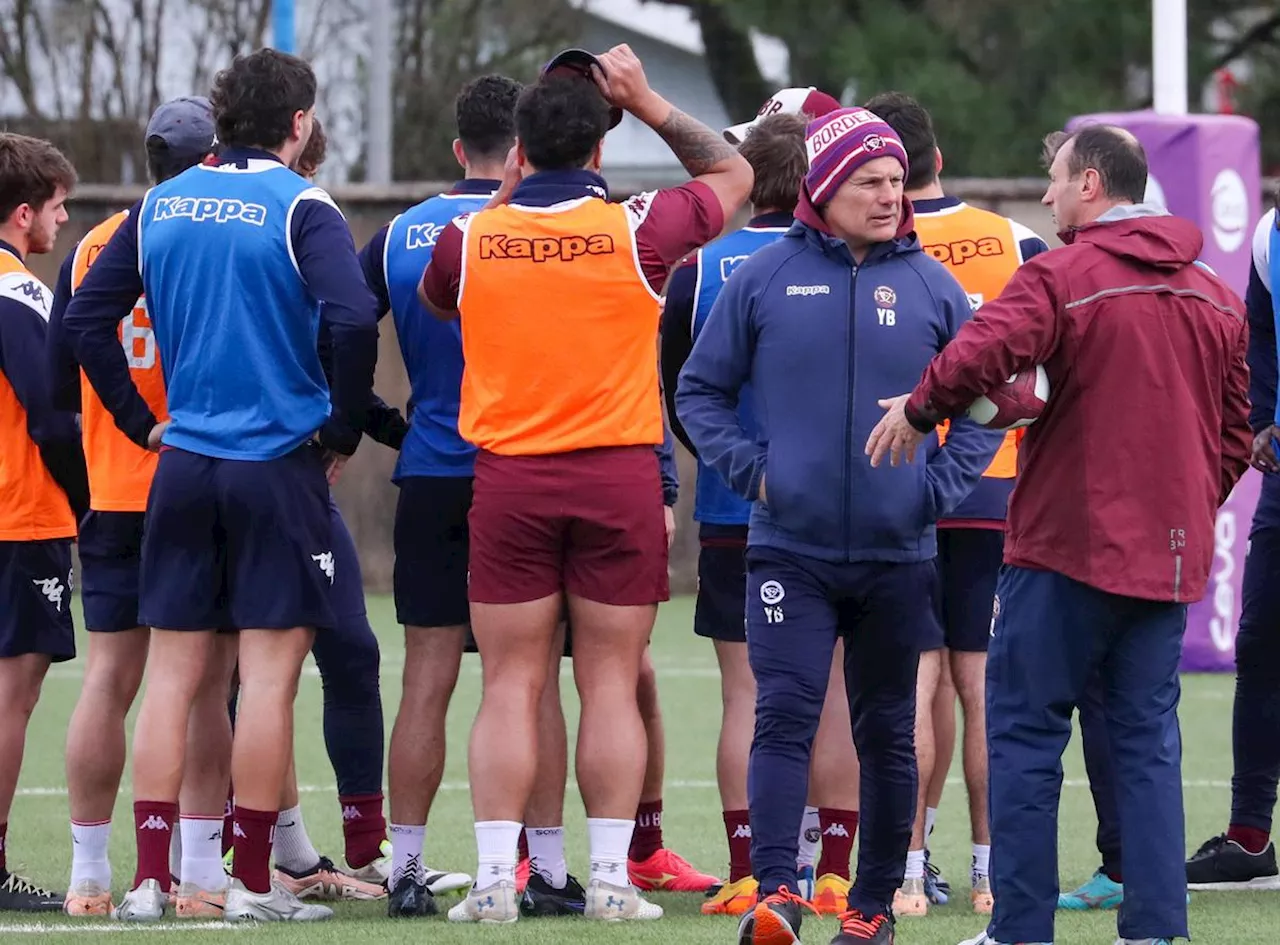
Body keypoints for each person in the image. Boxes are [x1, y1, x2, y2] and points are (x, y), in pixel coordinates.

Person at [866, 124, 1253, 945]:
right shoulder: (1216, 293)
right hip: (1165, 554)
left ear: (1090, 184)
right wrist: (1177, 505)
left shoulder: (1062, 275)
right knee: (1147, 745)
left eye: (1054, 178)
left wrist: (917, 407)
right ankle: (1154, 931)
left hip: (1063, 551)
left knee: (1026, 736)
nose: (1044, 194)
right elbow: (1232, 435)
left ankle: (1019, 931)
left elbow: (982, 349)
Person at [417, 44, 752, 923]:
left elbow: (439, 295)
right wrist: (645, 101)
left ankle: (496, 879)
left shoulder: (472, 237)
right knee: (609, 680)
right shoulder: (639, 228)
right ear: (601, 151)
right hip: (616, 480)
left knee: (510, 685)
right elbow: (734, 170)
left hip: (512, 484)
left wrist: (508, 193)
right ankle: (609, 879)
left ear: (518, 149)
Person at [62, 48, 378, 923]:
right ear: (300, 123)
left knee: (170, 675)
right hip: (274, 464)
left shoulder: (161, 204)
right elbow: (352, 317)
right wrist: (343, 425)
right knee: (268, 678)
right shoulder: (302, 204)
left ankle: (153, 882)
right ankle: (240, 880)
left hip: (183, 464)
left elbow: (87, 316)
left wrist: (139, 421)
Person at [678, 107, 1002, 945]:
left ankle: (868, 910)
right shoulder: (763, 278)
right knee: (782, 713)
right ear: (824, 186)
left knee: (889, 729)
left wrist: (937, 488)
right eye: (871, 181)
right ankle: (778, 894)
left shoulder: (934, 286)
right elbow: (698, 393)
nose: (891, 195)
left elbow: (985, 408)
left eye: (897, 180)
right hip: (790, 549)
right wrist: (755, 471)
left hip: (901, 552)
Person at [662, 93, 864, 918]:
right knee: (837, 691)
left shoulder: (702, 268)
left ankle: (751, 870)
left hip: (732, 505)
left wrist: (728, 461)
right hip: (835, 508)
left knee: (747, 693)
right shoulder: (847, 262)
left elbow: (683, 394)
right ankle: (835, 871)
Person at [46, 96, 244, 920]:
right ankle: (197, 871)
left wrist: (102, 452)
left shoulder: (95, 241)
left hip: (116, 489)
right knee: (206, 683)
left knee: (110, 680)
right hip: (196, 474)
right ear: (209, 161)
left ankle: (91, 871)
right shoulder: (221, 226)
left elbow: (62, 374)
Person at [864, 90, 1049, 919]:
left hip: (903, 480)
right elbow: (1048, 375)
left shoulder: (872, 247)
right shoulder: (1018, 239)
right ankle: (986, 872)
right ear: (938, 158)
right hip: (997, 482)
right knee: (983, 687)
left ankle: (907, 871)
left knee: (915, 680)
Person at [1183, 191, 1280, 893]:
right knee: (1261, 642)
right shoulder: (1271, 233)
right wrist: (1264, 418)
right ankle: (1249, 836)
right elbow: (1263, 337)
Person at [0, 132, 85, 913]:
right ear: (23, 212)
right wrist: (87, 500)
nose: (61, 222)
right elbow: (51, 415)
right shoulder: (19, 291)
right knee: (11, 695)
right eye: (56, 207)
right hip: (19, 517)